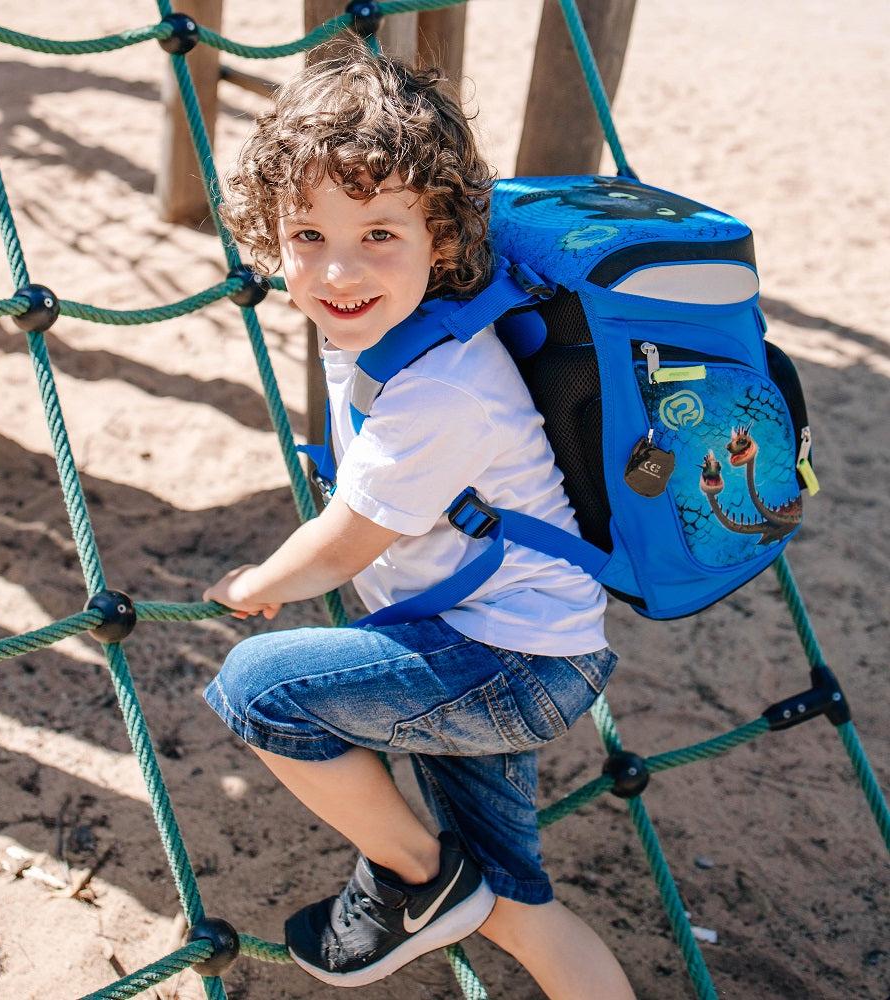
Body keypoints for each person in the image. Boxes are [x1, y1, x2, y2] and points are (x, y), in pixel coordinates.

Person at [202, 39, 635, 999]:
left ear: (441, 240)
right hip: (494, 640)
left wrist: (258, 584)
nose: (337, 270)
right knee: (518, 906)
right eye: (306, 236)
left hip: (509, 661)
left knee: (259, 689)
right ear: (270, 236)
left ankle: (413, 875)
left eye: (379, 237)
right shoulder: (388, 328)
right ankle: (469, 894)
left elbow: (351, 540)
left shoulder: (445, 386)